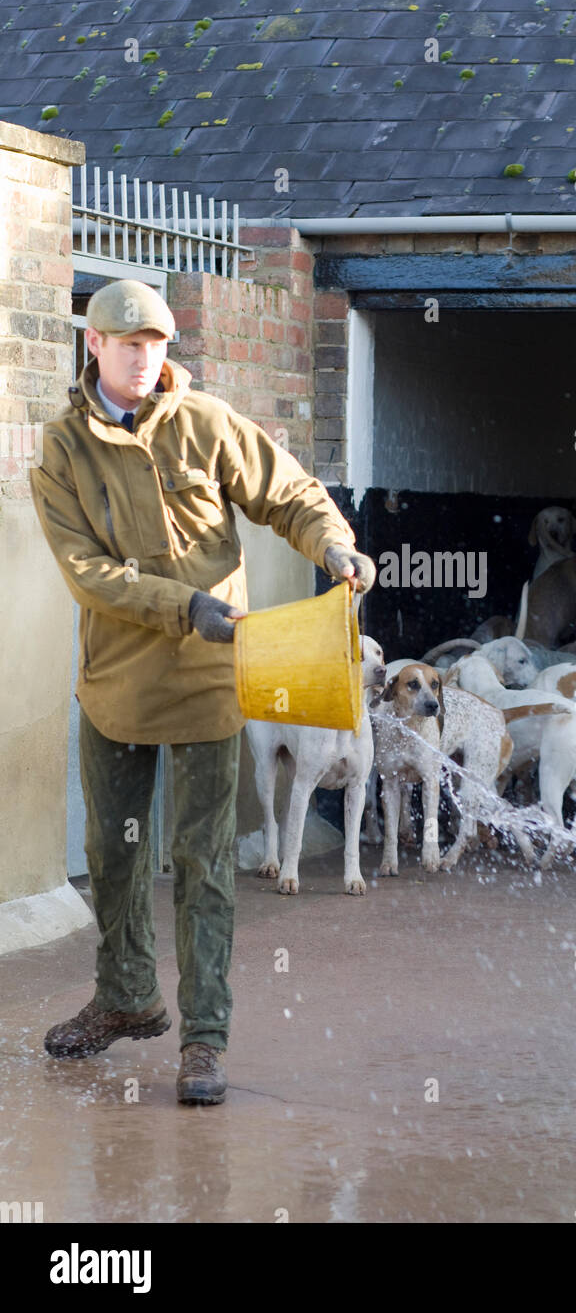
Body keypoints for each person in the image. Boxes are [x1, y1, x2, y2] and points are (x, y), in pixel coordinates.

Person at [28, 278, 376, 1105]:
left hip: (211, 684)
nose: (145, 358)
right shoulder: (62, 451)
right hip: (115, 684)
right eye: (128, 343)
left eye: (157, 344)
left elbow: (287, 493)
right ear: (94, 347)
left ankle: (204, 1039)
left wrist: (334, 546)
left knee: (204, 862)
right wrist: (184, 606)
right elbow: (89, 576)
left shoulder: (208, 422)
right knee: (114, 857)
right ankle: (125, 998)